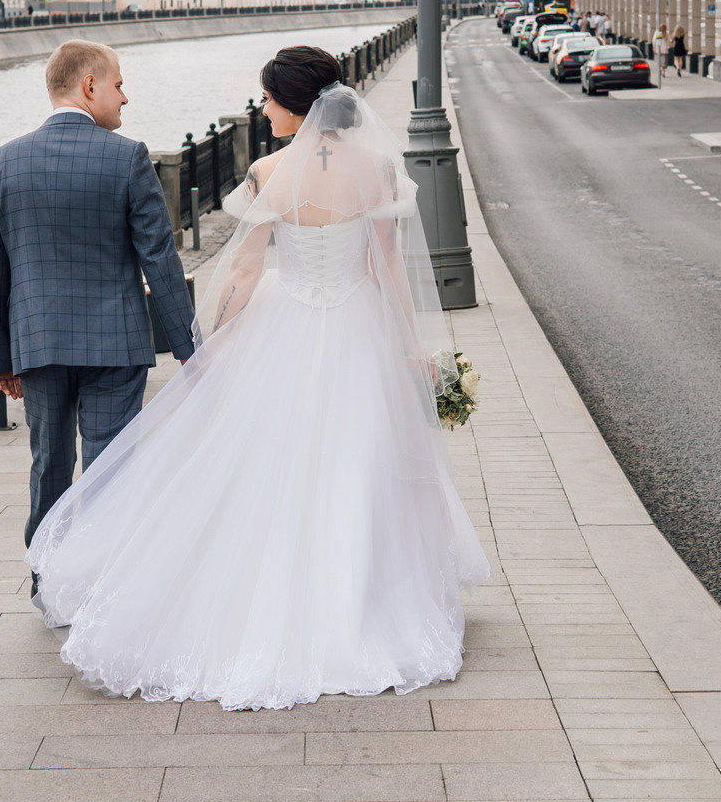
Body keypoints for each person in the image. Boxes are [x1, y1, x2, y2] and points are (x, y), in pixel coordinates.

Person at [27, 44, 488, 710]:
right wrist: (412, 343)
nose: (264, 110)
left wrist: (214, 340)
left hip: (286, 319)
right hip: (356, 321)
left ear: (296, 103)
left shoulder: (271, 169)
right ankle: (354, 601)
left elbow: (243, 269)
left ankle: (280, 594)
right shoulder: (377, 168)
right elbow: (387, 266)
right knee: (358, 460)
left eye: (270, 99)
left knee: (270, 461)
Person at [0, 40, 198, 566]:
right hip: (115, 343)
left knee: (48, 464)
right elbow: (159, 256)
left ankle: (47, 580)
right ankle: (97, 587)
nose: (125, 98)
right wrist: (186, 345)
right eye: (118, 84)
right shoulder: (127, 157)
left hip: (38, 341)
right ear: (89, 85)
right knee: (109, 470)